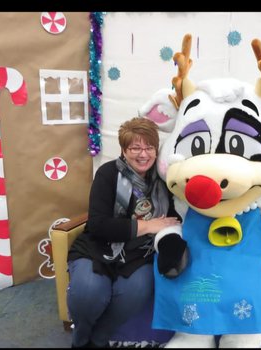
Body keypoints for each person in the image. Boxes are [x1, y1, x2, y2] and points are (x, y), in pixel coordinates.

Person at [67, 117, 180, 348]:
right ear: (123, 149)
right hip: (98, 248)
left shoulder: (164, 179)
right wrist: (147, 226)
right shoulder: (108, 174)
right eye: (135, 148)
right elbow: (98, 225)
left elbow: (172, 219)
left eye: (149, 147)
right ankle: (80, 340)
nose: (143, 154)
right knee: (88, 293)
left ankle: (98, 340)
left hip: (141, 253)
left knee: (135, 292)